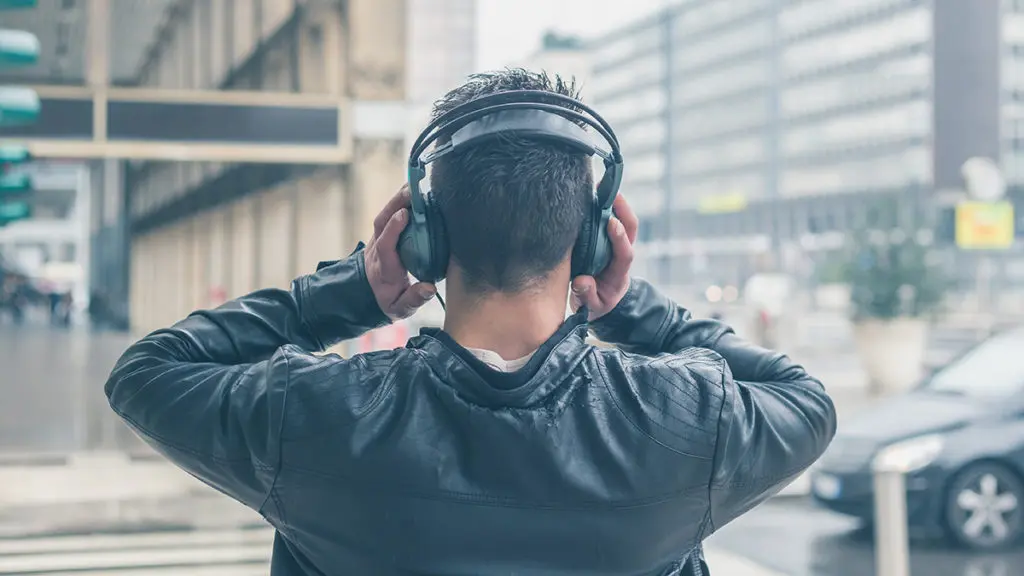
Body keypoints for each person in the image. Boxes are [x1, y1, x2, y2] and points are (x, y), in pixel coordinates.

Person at [104, 70, 836, 576]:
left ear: (427, 237)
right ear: (592, 237)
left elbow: (146, 375)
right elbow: (808, 400)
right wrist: (631, 305)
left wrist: (351, 293)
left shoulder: (312, 417)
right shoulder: (688, 422)